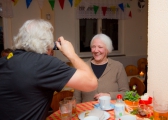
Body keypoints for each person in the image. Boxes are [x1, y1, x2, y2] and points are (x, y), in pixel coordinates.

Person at [0, 19, 97, 120]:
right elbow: (91, 83)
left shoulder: (5, 60)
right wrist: (71, 54)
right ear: (47, 44)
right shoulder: (43, 63)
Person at [74, 33, 129, 103]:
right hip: (87, 112)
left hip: (111, 111)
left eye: (100, 47)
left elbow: (126, 94)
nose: (96, 50)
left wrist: (109, 95)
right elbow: (76, 97)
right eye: (93, 47)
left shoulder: (118, 66)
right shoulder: (82, 67)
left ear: (107, 49)